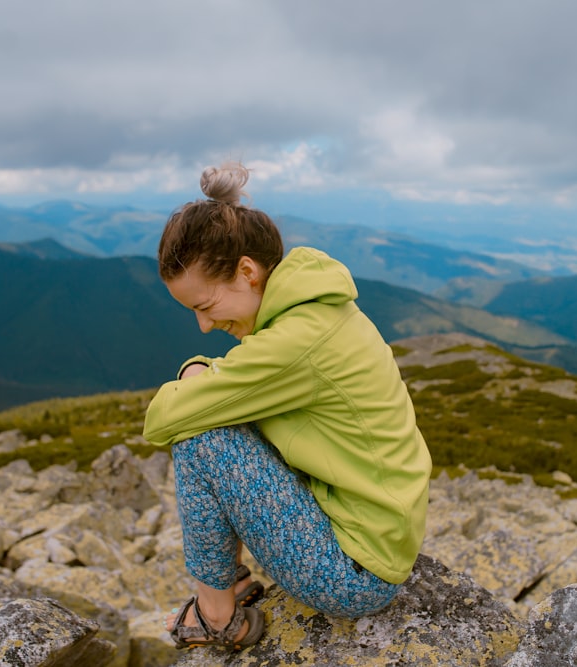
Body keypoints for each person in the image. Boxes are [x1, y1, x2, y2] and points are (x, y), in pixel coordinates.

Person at [142, 162, 431, 651]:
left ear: (248, 272)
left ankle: (215, 613)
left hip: (354, 573)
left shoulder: (296, 344)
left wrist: (192, 374)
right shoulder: (314, 312)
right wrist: (201, 372)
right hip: (369, 539)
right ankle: (227, 587)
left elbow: (162, 421)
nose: (205, 326)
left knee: (201, 436)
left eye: (206, 305)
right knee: (214, 418)